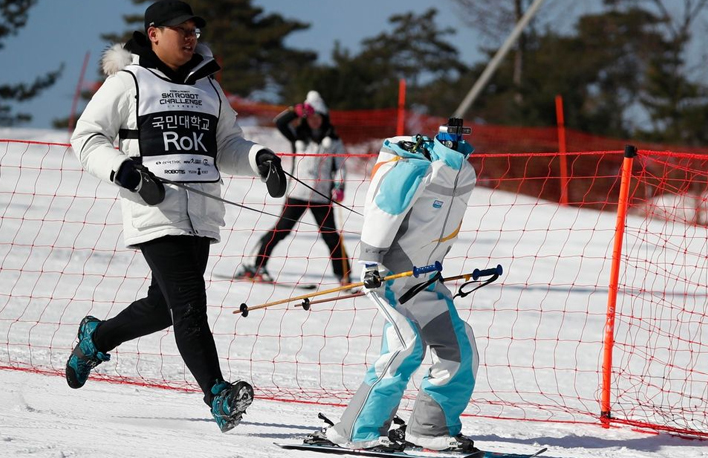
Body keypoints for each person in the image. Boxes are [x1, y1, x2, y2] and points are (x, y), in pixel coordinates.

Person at [67, 0, 285, 433]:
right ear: (153, 34)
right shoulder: (128, 82)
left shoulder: (210, 87)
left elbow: (227, 147)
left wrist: (261, 160)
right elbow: (86, 137)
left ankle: (97, 338)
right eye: (180, 30)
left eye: (194, 31)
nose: (190, 37)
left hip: (201, 217)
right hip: (154, 213)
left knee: (163, 307)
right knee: (190, 307)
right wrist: (127, 173)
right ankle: (219, 395)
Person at [312, 122, 480, 452]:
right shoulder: (420, 167)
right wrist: (371, 262)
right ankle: (354, 432)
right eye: (453, 141)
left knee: (460, 350)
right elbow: (385, 210)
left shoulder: (464, 172)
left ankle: (430, 429)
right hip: (390, 277)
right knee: (407, 347)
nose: (459, 145)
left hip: (427, 278)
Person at [235, 91, 351, 285]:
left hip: (321, 197)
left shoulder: (334, 141)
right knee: (281, 230)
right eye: (310, 117)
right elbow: (280, 122)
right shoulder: (298, 135)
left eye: (317, 117)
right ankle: (256, 266)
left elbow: (340, 167)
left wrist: (340, 187)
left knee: (331, 237)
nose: (314, 121)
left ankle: (345, 277)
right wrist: (294, 112)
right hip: (297, 193)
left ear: (324, 118)